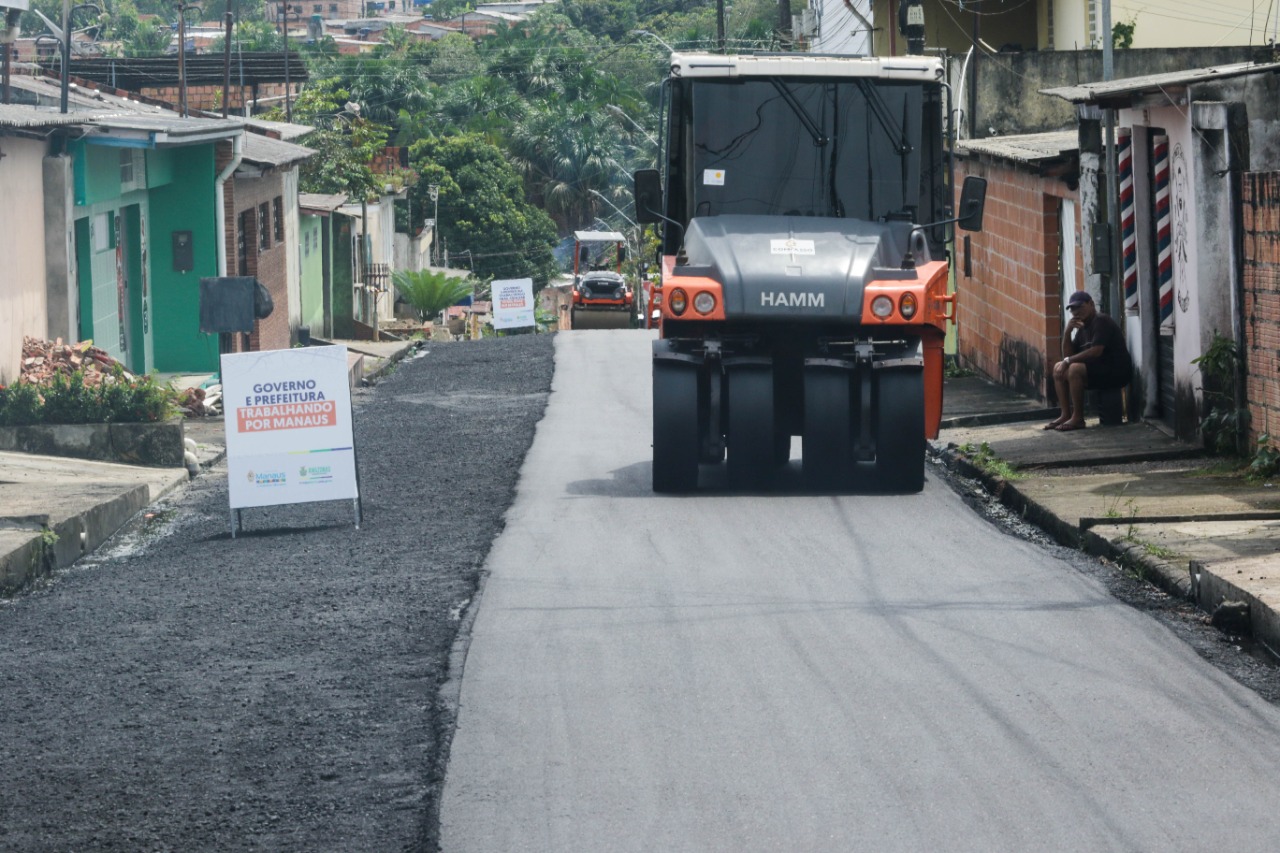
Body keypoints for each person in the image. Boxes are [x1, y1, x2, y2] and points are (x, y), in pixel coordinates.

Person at [1045, 290, 1132, 431]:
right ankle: (1066, 414)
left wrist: (1068, 361)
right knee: (1058, 368)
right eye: (1073, 309)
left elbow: (1096, 351)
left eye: (1080, 307)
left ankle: (1078, 418)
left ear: (1091, 304)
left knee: (1074, 368)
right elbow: (1069, 354)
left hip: (1115, 371)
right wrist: (1067, 332)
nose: (1076, 312)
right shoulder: (1082, 329)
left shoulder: (1101, 320)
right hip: (1098, 371)